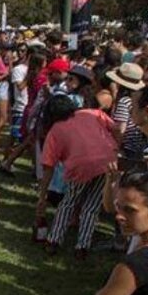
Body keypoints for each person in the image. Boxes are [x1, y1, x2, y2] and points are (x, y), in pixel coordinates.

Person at [36, 95, 119, 259]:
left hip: (80, 167)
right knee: (92, 206)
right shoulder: (93, 113)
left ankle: (54, 241)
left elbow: (48, 167)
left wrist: (42, 195)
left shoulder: (55, 130)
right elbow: (116, 128)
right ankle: (82, 246)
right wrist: (116, 148)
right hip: (108, 162)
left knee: (68, 203)